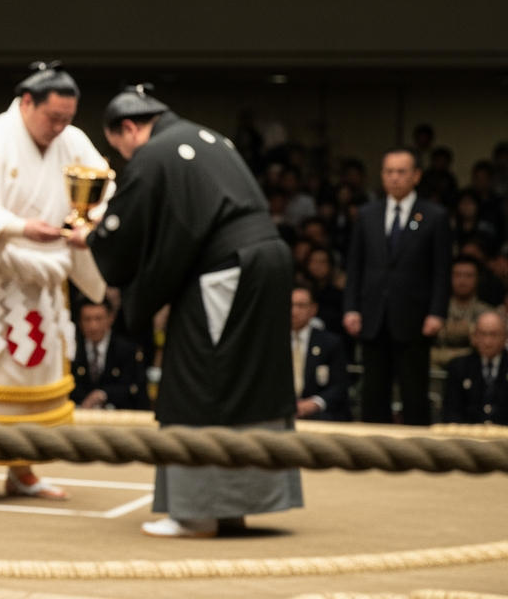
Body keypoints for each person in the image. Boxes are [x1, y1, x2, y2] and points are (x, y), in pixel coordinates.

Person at [86, 84, 302, 539]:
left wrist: (91, 236)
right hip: (264, 261)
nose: (125, 158)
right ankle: (232, 504)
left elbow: (130, 230)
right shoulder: (208, 137)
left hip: (230, 269)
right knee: (248, 378)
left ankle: (196, 511)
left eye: (119, 148)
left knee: (200, 375)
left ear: (128, 128)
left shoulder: (154, 154)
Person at [0, 61, 108, 508]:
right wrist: (21, 228)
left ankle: (22, 470)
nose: (61, 128)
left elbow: (104, 187)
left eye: (68, 118)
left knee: (32, 376)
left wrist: (86, 225)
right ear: (27, 102)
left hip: (46, 276)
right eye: (53, 118)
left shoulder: (72, 140)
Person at [343, 147, 451, 426]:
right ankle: (371, 454)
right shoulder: (367, 214)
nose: (394, 178)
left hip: (414, 316)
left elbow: (441, 270)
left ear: (416, 176)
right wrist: (351, 308)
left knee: (414, 393)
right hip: (373, 313)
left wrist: (436, 312)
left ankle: (418, 455)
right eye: (389, 171)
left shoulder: (434, 216)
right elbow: (354, 266)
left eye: (401, 172)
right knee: (373, 392)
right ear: (381, 176)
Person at [70, 298, 150, 411]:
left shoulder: (126, 350)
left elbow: (132, 387)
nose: (93, 326)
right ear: (79, 321)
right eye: (87, 319)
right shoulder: (71, 349)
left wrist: (102, 394)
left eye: (98, 319)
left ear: (110, 318)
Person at [291, 286, 352, 421]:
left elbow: (341, 385)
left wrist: (314, 403)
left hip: (319, 413)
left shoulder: (330, 343)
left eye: (301, 305)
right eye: (290, 305)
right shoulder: (273, 342)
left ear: (313, 309)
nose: (294, 311)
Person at [440, 310, 508, 426]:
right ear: (474, 336)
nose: (488, 341)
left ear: (505, 336)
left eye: (494, 334)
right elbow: (451, 413)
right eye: (483, 334)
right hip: (467, 438)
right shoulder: (459, 367)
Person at [436, 257, 492, 367]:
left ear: (478, 278)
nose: (462, 280)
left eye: (468, 275)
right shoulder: (436, 310)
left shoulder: (488, 314)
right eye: (457, 275)